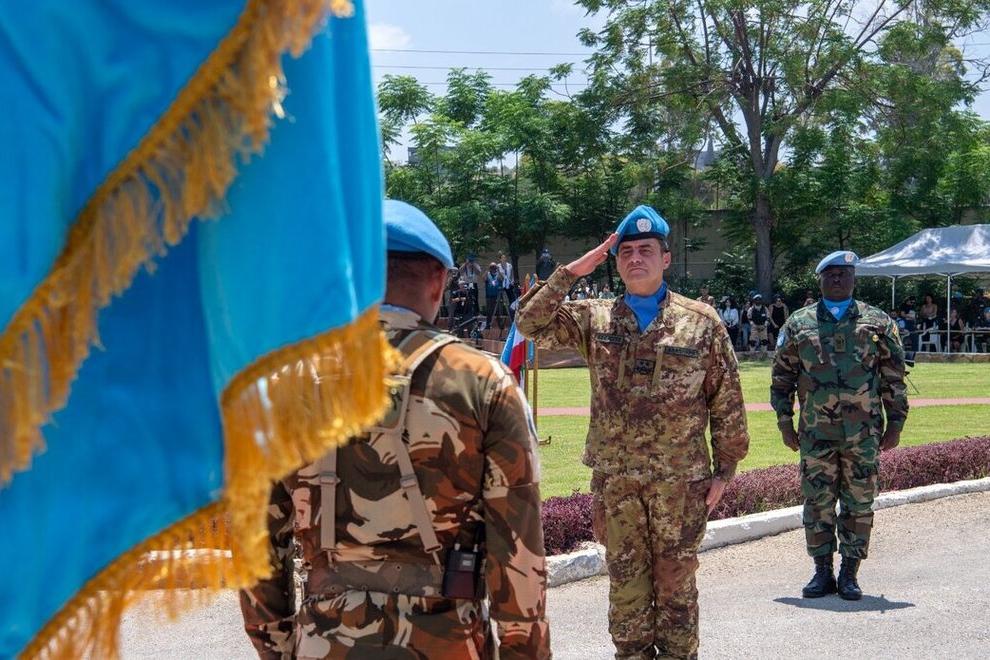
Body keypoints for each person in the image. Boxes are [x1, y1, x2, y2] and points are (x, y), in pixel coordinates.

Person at [240, 200, 550, 659]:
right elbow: (518, 553)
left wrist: (282, 650)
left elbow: (256, 545)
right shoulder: (484, 384)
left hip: (325, 643)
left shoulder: (283, 386)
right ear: (439, 281)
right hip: (449, 641)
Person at [515, 205, 749, 659]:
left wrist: (725, 470)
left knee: (677, 591)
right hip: (617, 484)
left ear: (666, 259)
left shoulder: (701, 322)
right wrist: (573, 271)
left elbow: (726, 398)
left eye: (646, 250)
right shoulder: (595, 318)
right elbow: (529, 322)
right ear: (615, 261)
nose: (636, 258)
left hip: (680, 485)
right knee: (626, 595)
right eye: (626, 252)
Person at [771, 250, 909, 602]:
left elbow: (893, 376)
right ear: (819, 279)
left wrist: (896, 422)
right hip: (816, 433)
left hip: (863, 433)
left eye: (844, 273)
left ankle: (849, 573)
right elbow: (782, 378)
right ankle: (822, 572)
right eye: (830, 274)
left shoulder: (877, 322)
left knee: (859, 502)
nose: (837, 278)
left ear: (853, 278)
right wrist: (785, 421)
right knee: (817, 502)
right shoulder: (799, 324)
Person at [484, 262, 504, 329]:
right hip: (489, 296)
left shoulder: (498, 274)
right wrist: (487, 270)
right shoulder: (488, 274)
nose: (493, 269)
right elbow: (484, 279)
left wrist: (498, 270)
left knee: (499, 312)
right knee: (489, 312)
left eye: (494, 267)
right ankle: (488, 325)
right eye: (491, 267)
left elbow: (502, 279)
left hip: (498, 296)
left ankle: (501, 326)